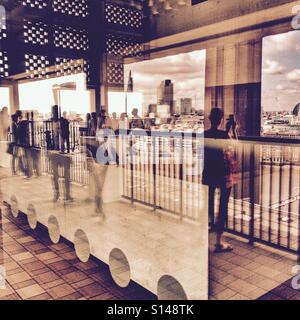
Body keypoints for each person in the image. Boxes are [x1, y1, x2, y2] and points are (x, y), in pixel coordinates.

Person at [202, 107, 237, 253]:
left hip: (208, 174)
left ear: (210, 119)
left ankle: (204, 237)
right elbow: (234, 147)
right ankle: (218, 242)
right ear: (221, 119)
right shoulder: (224, 135)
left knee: (207, 206)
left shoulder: (204, 134)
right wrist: (233, 130)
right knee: (222, 207)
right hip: (222, 174)